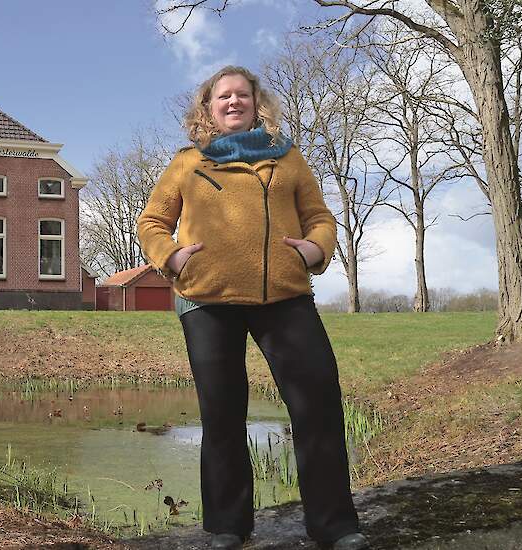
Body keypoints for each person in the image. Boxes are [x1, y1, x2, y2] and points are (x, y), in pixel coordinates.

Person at [137, 66, 369, 550]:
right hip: (206, 301)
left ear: (257, 103)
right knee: (221, 415)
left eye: (242, 95)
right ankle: (226, 527)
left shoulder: (288, 159)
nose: (233, 102)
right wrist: (172, 258)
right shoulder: (187, 163)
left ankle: (335, 526)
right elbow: (152, 222)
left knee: (318, 405)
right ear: (208, 107)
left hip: (284, 297)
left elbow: (320, 217)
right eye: (223, 96)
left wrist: (312, 250)